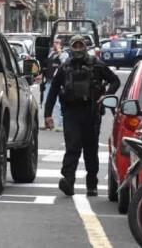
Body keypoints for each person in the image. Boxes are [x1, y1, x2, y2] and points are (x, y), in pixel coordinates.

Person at [44, 35, 119, 197]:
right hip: (71, 113)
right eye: (75, 46)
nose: (78, 49)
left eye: (80, 46)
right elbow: (53, 91)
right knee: (72, 147)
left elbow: (115, 81)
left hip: (91, 113)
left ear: (85, 47)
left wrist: (106, 96)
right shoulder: (64, 67)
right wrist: (48, 114)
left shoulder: (97, 65)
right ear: (71, 48)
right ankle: (68, 181)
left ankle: (92, 185)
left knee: (91, 150)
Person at [41, 39, 65, 131]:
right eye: (54, 42)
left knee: (58, 104)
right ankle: (48, 123)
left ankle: (61, 124)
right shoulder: (50, 54)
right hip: (48, 81)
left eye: (57, 43)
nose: (55, 44)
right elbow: (46, 65)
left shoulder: (64, 54)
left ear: (61, 45)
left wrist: (59, 51)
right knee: (46, 102)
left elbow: (64, 61)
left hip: (58, 82)